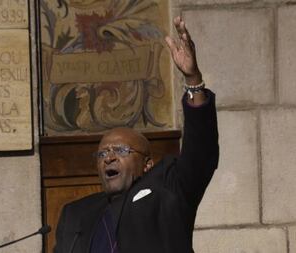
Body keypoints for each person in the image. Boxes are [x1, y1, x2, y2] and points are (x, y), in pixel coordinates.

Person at [53, 16, 219, 253]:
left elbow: (201, 154)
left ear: (147, 164)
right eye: (102, 154)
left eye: (120, 151)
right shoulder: (76, 215)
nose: (108, 157)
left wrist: (193, 81)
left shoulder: (168, 190)